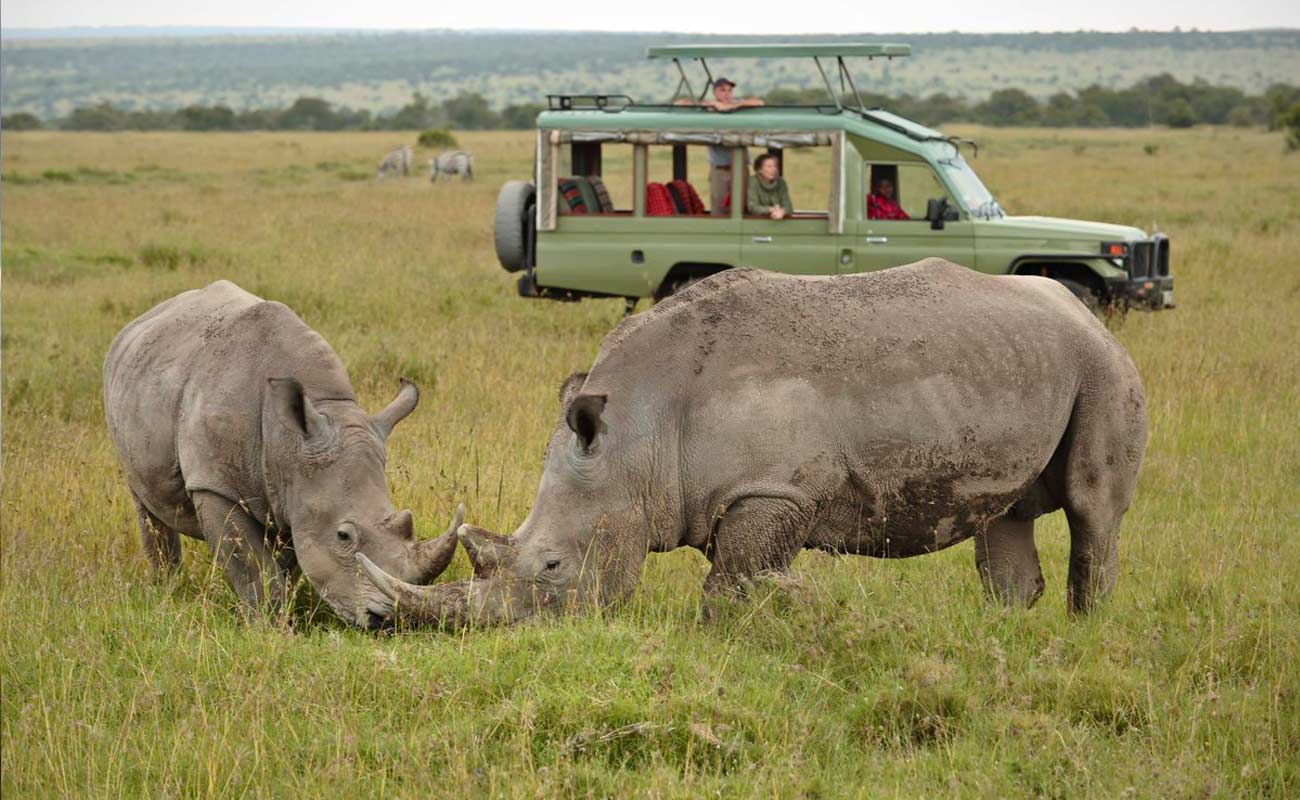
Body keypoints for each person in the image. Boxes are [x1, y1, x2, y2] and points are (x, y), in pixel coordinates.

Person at [698, 78, 764, 215]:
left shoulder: (738, 106)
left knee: (742, 205)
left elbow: (759, 102)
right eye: (722, 90)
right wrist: (715, 105)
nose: (727, 94)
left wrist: (734, 106)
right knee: (719, 206)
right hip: (719, 169)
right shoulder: (708, 108)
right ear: (714, 93)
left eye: (729, 90)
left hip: (740, 169)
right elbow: (682, 103)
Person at [746, 153, 793, 220]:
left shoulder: (781, 182)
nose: (773, 169)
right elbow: (752, 207)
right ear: (759, 169)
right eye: (769, 166)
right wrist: (771, 209)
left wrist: (782, 212)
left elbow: (789, 207)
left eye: (775, 166)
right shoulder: (752, 182)